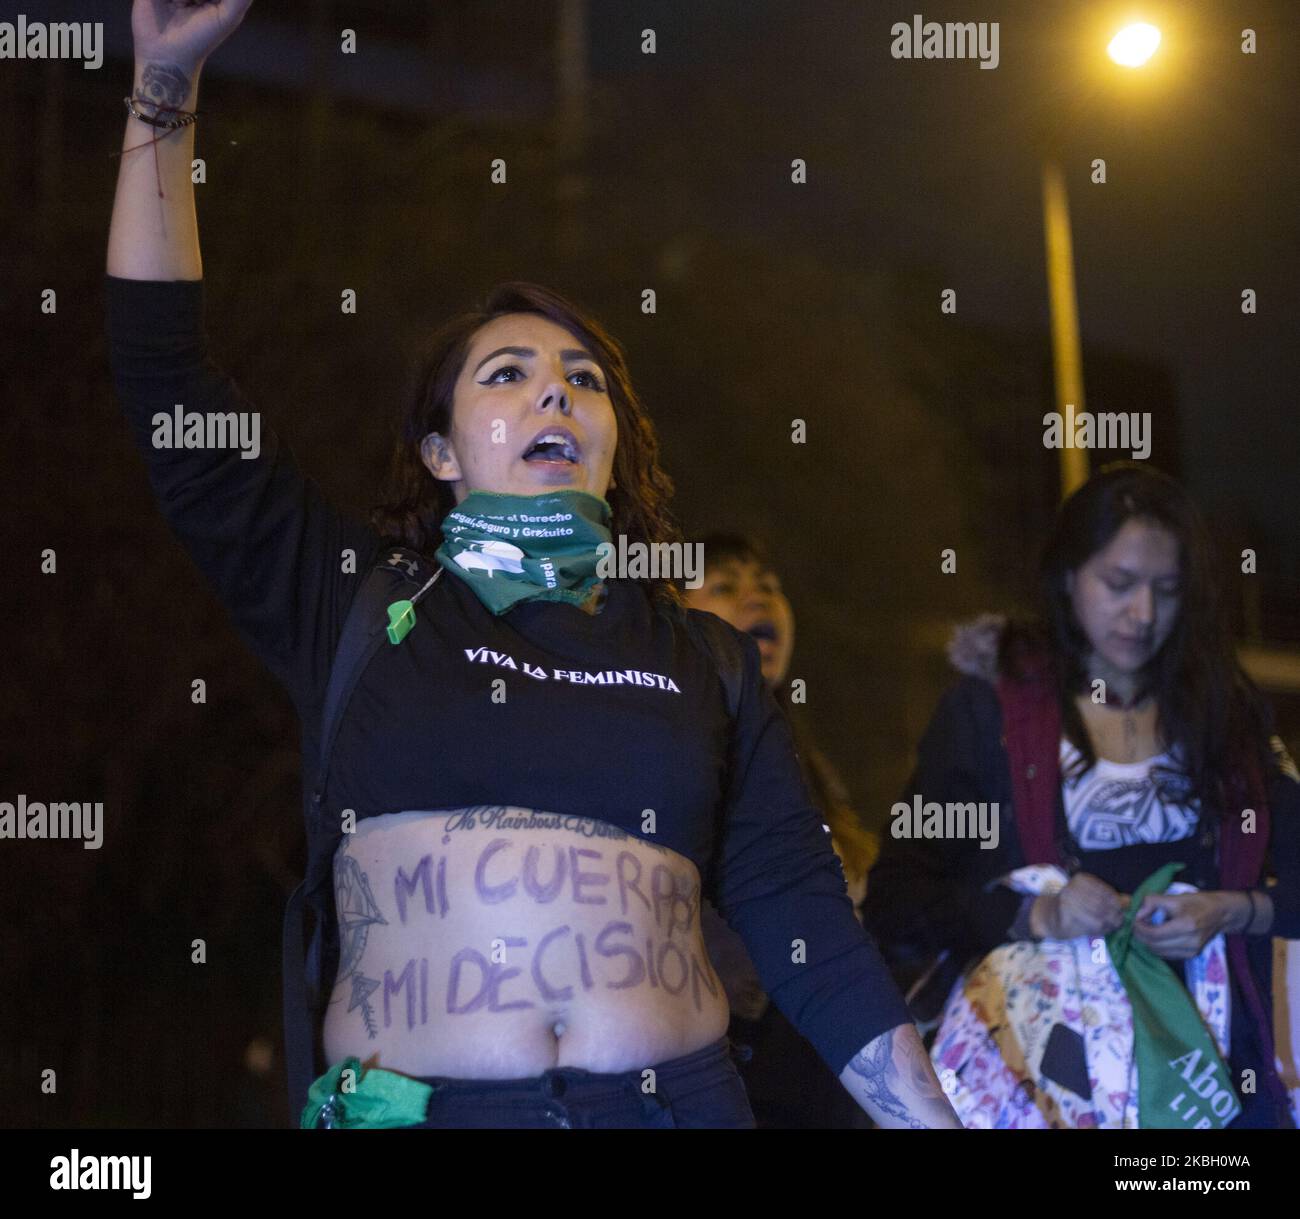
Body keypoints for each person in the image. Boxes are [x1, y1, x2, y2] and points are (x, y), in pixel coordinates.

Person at [104, 0, 958, 1130]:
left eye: (585, 379)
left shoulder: (699, 658)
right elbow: (169, 385)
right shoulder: (358, 604)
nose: (556, 389)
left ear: (613, 447)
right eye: (507, 373)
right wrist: (164, 87)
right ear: (441, 451)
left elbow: (805, 925)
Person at [865, 462, 1300, 1128]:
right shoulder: (987, 716)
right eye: (1119, 583)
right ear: (1068, 577)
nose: (1144, 613)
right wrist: (1036, 915)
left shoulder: (1226, 713)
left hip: (1214, 1090)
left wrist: (1234, 910)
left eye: (1168, 588)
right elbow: (897, 900)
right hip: (1047, 1089)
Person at [684, 533, 880, 1128]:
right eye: (724, 587)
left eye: (768, 587)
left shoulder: (799, 755)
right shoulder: (666, 747)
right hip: (720, 1063)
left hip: (814, 1063)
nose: (757, 600)